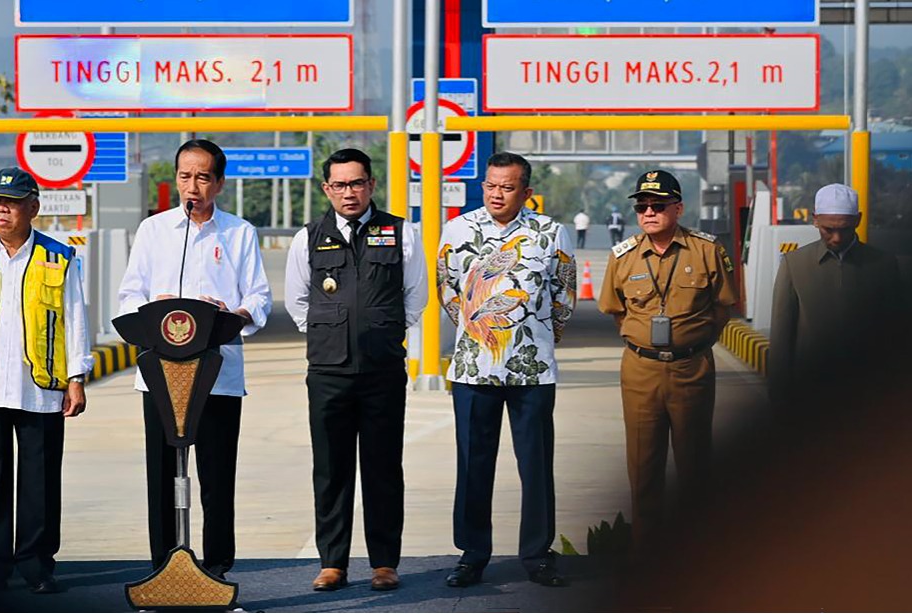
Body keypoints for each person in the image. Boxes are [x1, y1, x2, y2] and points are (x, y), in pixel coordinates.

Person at [117, 139, 272, 579]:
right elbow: (130, 295)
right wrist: (154, 306)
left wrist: (231, 313)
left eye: (203, 177)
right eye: (185, 176)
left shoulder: (239, 232)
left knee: (218, 475)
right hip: (161, 375)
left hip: (216, 372)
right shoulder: (153, 231)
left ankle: (217, 566)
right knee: (163, 474)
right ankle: (163, 567)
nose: (193, 186)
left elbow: (258, 297)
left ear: (219, 183)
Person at [284, 148, 427, 592]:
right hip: (328, 372)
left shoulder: (401, 233)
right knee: (331, 469)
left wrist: (377, 331)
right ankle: (333, 562)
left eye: (357, 183)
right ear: (327, 189)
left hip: (382, 369)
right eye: (340, 185)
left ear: (371, 185)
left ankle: (384, 562)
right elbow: (297, 302)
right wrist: (333, 334)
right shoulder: (308, 237)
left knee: (384, 467)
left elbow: (415, 297)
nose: (349, 192)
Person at [438, 152, 576, 588]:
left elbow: (564, 296)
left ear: (527, 192)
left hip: (532, 371)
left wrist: (533, 337)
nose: (497, 194)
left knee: (535, 465)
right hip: (473, 368)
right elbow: (448, 288)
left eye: (508, 186)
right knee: (472, 464)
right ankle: (472, 554)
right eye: (491, 185)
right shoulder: (459, 230)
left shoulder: (551, 233)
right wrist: (480, 332)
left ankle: (537, 554)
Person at [0, 167, 92, 594]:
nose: (1, 208)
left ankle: (36, 563)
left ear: (32, 207)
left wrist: (76, 377)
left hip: (41, 386)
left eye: (11, 202)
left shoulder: (60, 257)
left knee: (40, 479)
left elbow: (75, 318)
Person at [597, 169, 738, 551]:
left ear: (678, 208)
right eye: (642, 206)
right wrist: (644, 341)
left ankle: (696, 551)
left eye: (658, 205)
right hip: (640, 370)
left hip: (691, 368)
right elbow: (616, 311)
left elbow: (723, 308)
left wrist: (696, 342)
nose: (648, 212)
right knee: (643, 467)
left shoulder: (707, 250)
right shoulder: (623, 256)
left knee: (695, 463)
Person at [768, 184, 900, 412]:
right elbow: (782, 337)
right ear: (815, 220)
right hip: (811, 392)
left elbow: (897, 332)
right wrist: (779, 398)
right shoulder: (794, 264)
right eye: (829, 229)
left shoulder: (883, 264)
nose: (837, 237)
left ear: (858, 220)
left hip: (869, 393)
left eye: (845, 229)